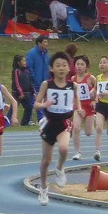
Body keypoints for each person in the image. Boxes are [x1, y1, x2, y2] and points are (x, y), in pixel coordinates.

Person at [34, 51, 77, 205]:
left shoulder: (73, 86)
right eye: (58, 65)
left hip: (64, 123)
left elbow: (77, 103)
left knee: (64, 148)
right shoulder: (47, 84)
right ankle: (43, 188)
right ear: (51, 68)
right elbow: (36, 104)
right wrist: (44, 104)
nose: (61, 68)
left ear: (68, 68)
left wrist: (80, 109)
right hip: (49, 123)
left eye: (64, 65)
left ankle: (59, 168)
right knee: (46, 161)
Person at [70, 55, 97, 160]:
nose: (79, 66)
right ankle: (78, 152)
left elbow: (99, 90)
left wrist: (94, 100)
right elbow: (73, 94)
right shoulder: (73, 79)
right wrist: (76, 106)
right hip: (79, 107)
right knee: (76, 128)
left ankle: (94, 119)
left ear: (87, 67)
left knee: (88, 133)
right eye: (77, 64)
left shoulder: (91, 78)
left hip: (89, 107)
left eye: (82, 64)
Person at [26, 35, 50, 123]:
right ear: (39, 43)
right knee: (37, 100)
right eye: (45, 42)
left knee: (44, 100)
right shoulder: (32, 53)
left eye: (47, 42)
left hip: (45, 81)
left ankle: (44, 117)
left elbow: (48, 66)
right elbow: (29, 67)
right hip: (36, 82)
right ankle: (40, 118)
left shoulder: (46, 54)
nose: (47, 44)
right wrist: (34, 78)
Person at [11, 54, 35, 126]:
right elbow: (16, 82)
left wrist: (33, 92)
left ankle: (24, 123)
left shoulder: (27, 71)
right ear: (19, 63)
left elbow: (30, 82)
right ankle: (9, 122)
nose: (25, 62)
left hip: (26, 94)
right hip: (17, 94)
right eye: (23, 61)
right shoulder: (16, 71)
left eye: (25, 61)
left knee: (29, 107)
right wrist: (20, 93)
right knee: (13, 108)